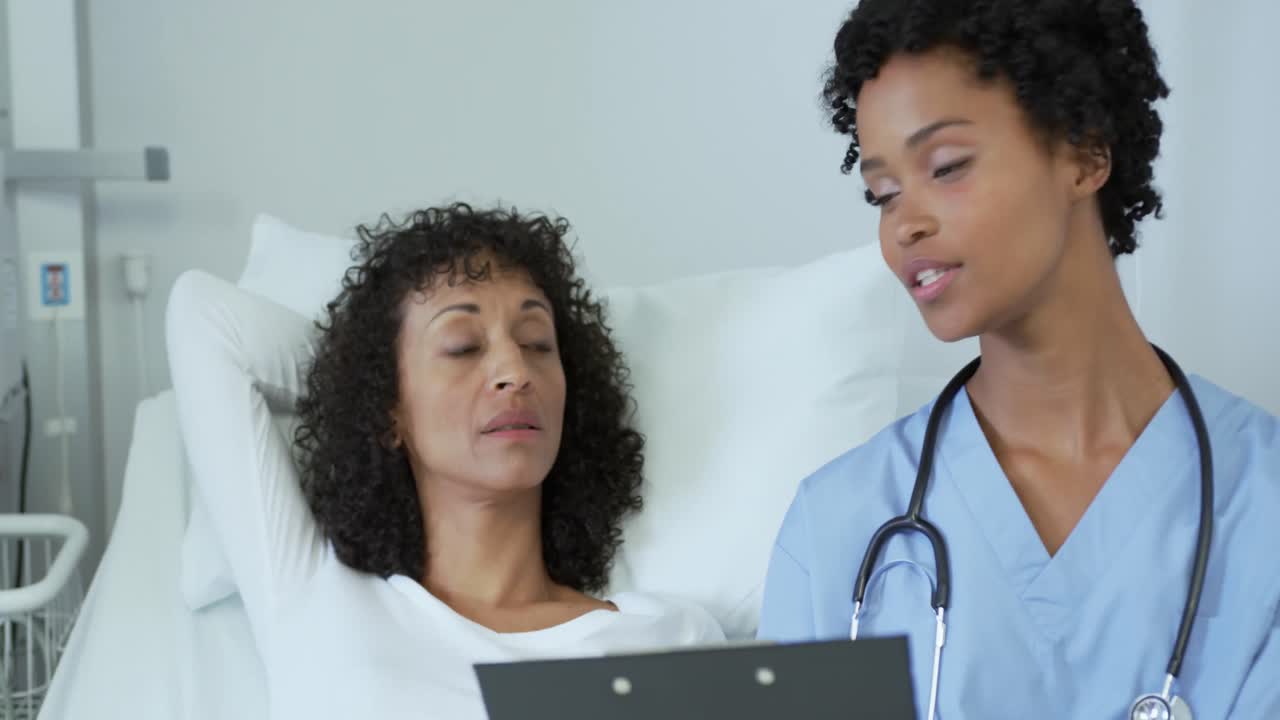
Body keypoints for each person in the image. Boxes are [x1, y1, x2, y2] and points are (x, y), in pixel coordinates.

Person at [757, 1, 1279, 718]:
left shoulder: (1264, 500)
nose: (905, 223)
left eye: (947, 166)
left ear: (1086, 152)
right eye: (882, 193)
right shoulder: (836, 525)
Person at [167, 203, 723, 719]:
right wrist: (364, 376)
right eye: (462, 347)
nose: (516, 371)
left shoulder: (669, 639)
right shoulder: (320, 601)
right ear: (388, 412)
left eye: (536, 343)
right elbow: (204, 318)